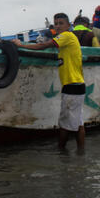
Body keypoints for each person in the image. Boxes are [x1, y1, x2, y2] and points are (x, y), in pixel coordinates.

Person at [14, 13, 86, 151]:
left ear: (68, 25)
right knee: (78, 123)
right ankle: (80, 153)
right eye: (56, 24)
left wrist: (21, 45)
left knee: (65, 123)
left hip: (72, 86)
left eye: (61, 23)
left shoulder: (67, 36)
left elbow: (44, 45)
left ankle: (61, 152)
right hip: (77, 85)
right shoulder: (67, 40)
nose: (58, 26)